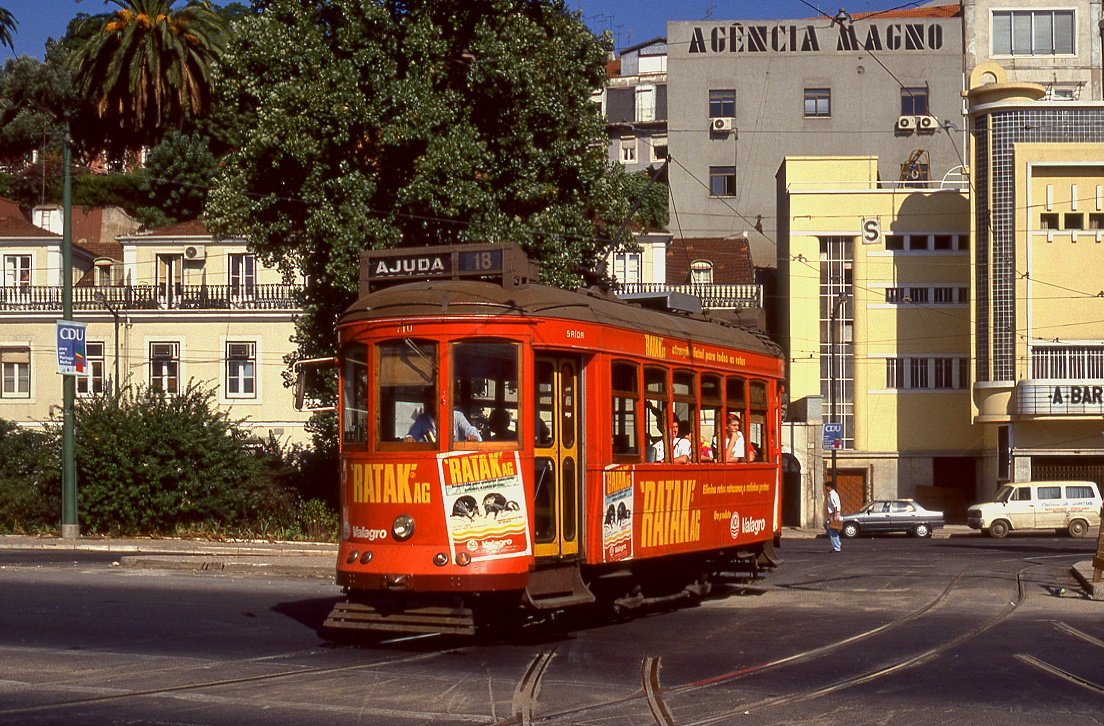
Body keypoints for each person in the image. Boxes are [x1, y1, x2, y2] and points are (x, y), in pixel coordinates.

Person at [405, 407, 482, 442]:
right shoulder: (423, 419)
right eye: (431, 398)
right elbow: (412, 435)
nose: (433, 402)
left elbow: (470, 429)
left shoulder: (457, 416)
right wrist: (409, 438)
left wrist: (472, 437)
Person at [825, 481, 842, 552]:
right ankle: (837, 545)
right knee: (833, 531)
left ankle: (837, 547)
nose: (825, 488)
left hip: (834, 514)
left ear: (829, 487)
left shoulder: (832, 495)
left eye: (826, 486)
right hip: (834, 514)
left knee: (832, 531)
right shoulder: (832, 494)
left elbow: (835, 506)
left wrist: (834, 516)